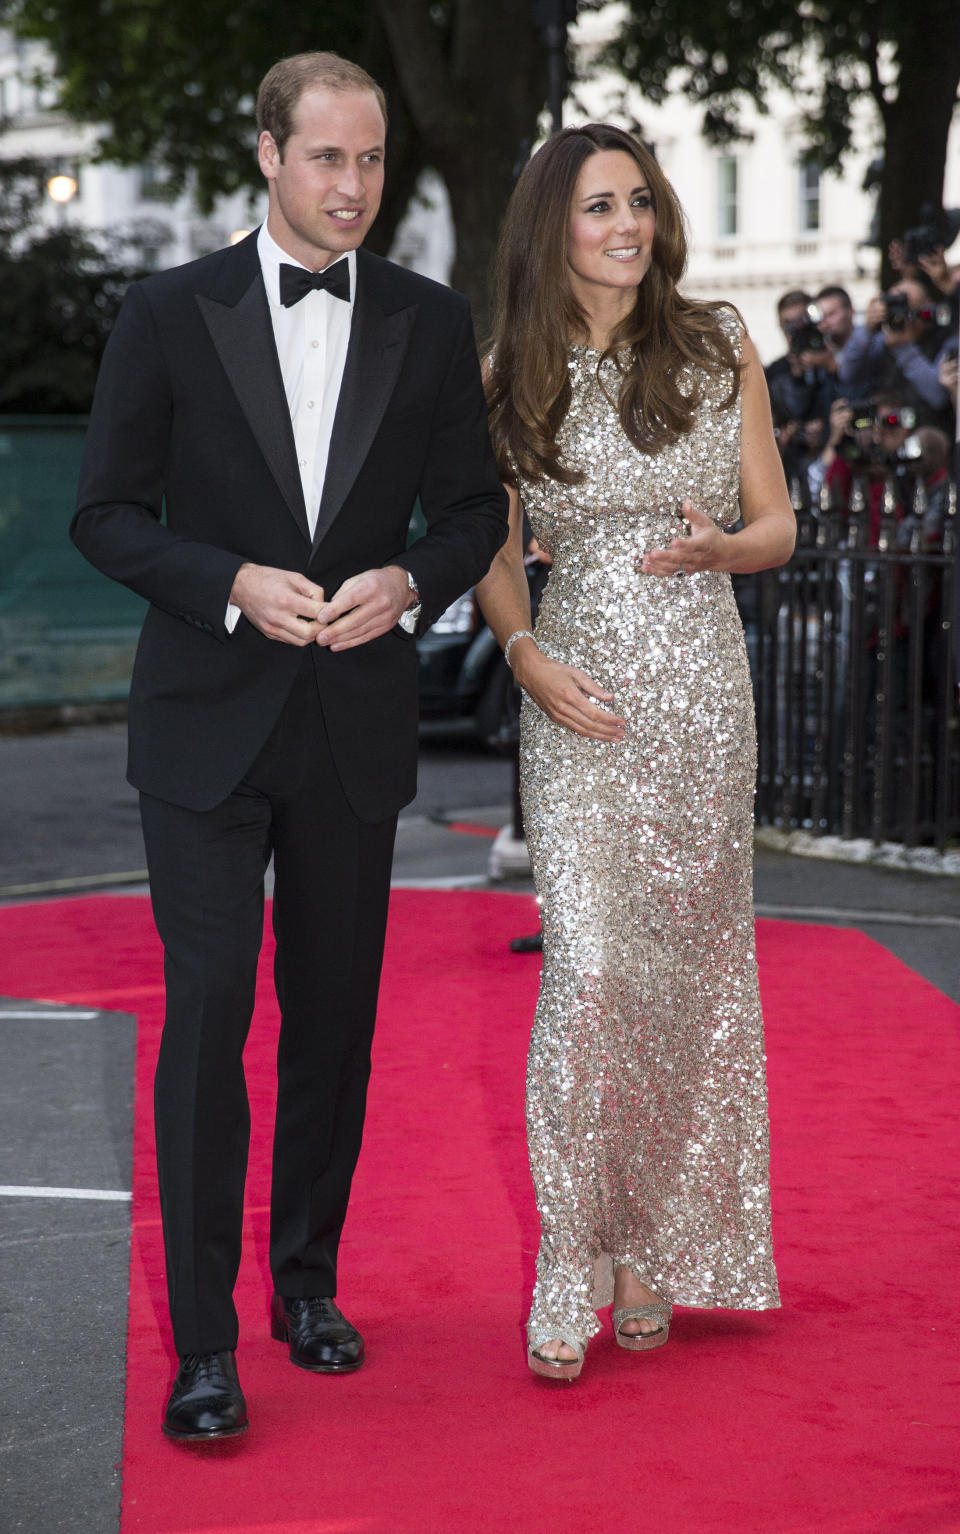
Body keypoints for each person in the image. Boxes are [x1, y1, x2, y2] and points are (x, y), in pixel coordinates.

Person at [71, 51, 507, 1441]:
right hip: (204, 722)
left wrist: (413, 583)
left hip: (354, 725)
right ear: (267, 154)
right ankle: (205, 1346)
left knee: (333, 1026)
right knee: (206, 1022)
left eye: (373, 161)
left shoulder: (431, 324)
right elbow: (106, 513)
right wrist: (228, 580)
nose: (354, 188)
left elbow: (473, 509)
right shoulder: (165, 312)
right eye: (328, 158)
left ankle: (303, 1285)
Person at [476, 123, 793, 1381]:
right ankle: (571, 1253)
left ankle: (655, 1249)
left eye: (642, 204)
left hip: (703, 698)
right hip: (573, 700)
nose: (628, 225)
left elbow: (775, 525)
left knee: (686, 975)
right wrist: (524, 657)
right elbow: (495, 554)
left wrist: (725, 547)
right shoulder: (507, 373)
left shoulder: (716, 346)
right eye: (602, 205)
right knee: (589, 979)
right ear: (552, 225)